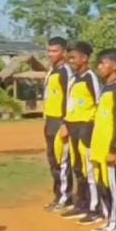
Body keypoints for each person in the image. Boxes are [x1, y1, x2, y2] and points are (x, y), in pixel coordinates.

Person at [89, 49, 116, 231]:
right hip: (99, 147)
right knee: (103, 184)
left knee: (115, 186)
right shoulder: (105, 87)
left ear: (114, 65)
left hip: (111, 149)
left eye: (103, 63)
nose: (100, 67)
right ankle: (109, 220)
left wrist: (114, 148)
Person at [59, 42, 102, 225]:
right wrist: (66, 123)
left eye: (73, 58)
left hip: (87, 127)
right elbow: (69, 104)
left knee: (89, 169)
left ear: (84, 58)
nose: (71, 62)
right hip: (73, 126)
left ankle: (95, 208)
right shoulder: (74, 79)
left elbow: (100, 102)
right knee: (77, 167)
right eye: (69, 58)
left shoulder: (90, 77)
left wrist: (95, 127)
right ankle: (81, 203)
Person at [42, 37, 74, 212]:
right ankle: (58, 195)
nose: (51, 54)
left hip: (60, 122)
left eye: (54, 51)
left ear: (63, 52)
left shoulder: (65, 72)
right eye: (49, 51)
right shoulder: (52, 71)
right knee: (53, 160)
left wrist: (65, 122)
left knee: (62, 161)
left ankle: (66, 198)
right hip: (50, 120)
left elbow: (69, 98)